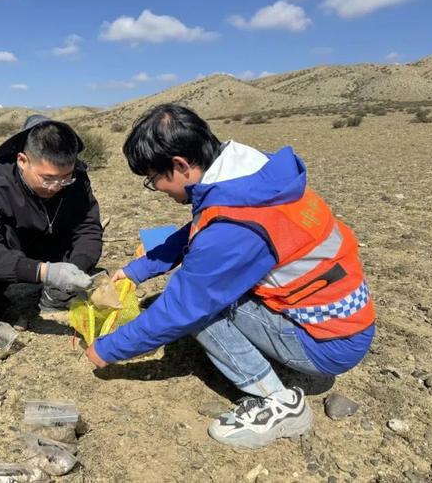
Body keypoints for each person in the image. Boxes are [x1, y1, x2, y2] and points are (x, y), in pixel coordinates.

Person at [85, 104, 375, 449]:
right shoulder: (251, 177)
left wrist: (106, 350)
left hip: (328, 342)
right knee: (202, 292)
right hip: (345, 317)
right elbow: (200, 228)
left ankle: (279, 403)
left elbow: (184, 308)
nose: (157, 187)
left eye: (154, 179)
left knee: (198, 310)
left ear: (180, 165)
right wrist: (136, 271)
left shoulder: (238, 223)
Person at [0, 115, 102, 340]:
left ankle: (56, 293)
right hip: (9, 254)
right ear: (23, 160)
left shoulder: (78, 180)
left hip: (52, 249)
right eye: (48, 178)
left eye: (66, 178)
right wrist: (46, 272)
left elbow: (88, 229)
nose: (57, 187)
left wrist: (74, 270)